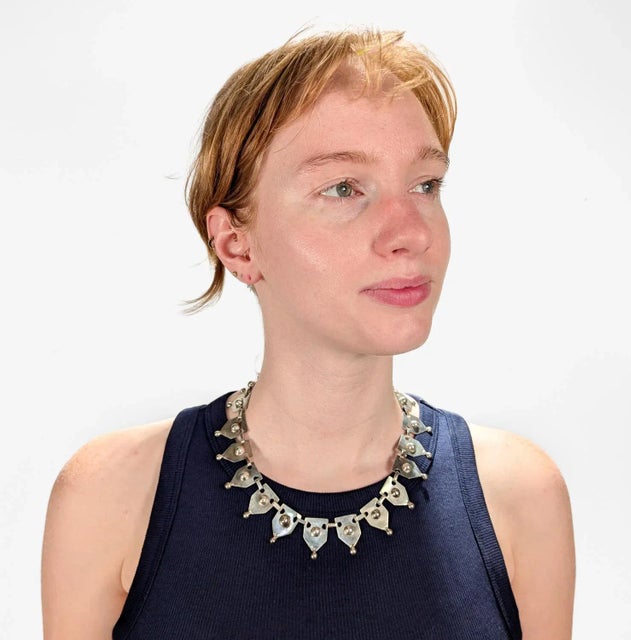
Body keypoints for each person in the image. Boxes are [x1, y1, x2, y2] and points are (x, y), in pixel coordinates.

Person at [41, 28, 575, 639]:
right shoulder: (110, 496)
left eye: (426, 185)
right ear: (237, 244)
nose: (412, 232)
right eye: (344, 188)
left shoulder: (520, 499)